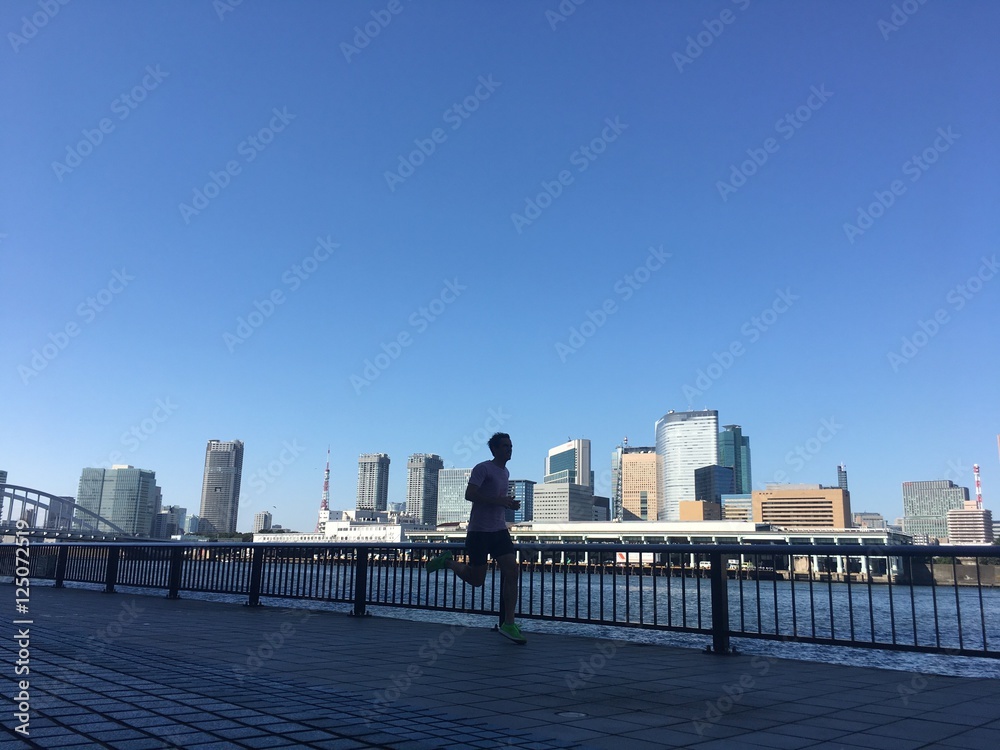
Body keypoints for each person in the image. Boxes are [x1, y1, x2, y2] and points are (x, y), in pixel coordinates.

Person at [426, 432, 525, 644]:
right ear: (495, 449)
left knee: (512, 571)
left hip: (499, 530)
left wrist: (508, 504)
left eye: (511, 446)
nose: (510, 449)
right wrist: (499, 501)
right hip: (479, 531)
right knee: (477, 580)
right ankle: (448, 562)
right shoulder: (483, 468)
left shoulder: (505, 472)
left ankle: (509, 623)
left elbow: (497, 500)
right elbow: (470, 494)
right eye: (505, 446)